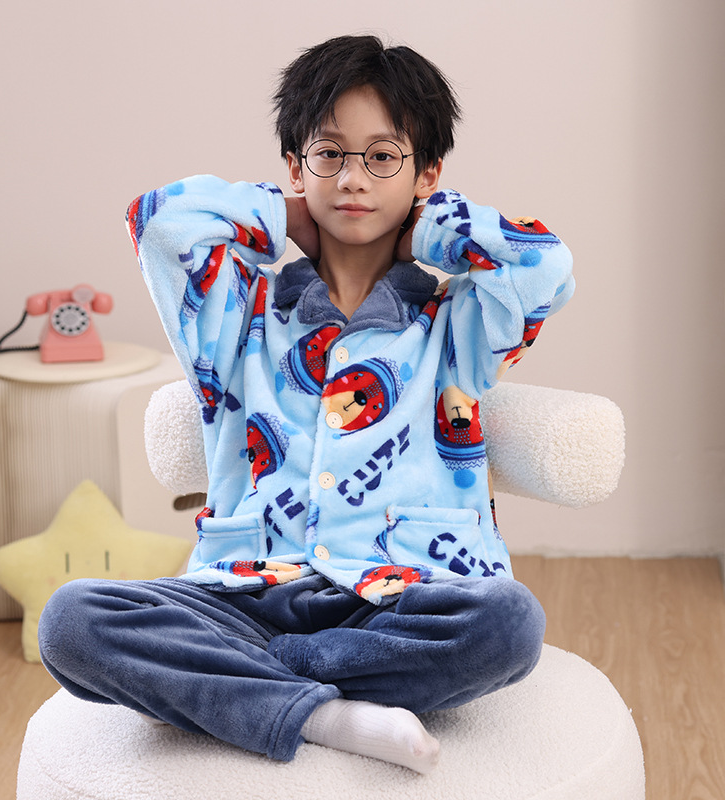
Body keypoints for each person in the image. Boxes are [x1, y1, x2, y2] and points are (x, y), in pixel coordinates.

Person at [39, 34, 574, 775]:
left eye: (382, 157)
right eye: (329, 155)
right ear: (295, 167)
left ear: (426, 173)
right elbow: (158, 222)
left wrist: (429, 229)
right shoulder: (236, 313)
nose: (353, 179)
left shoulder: (461, 324)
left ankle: (235, 688)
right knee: (71, 622)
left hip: (400, 592)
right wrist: (287, 217)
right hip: (243, 591)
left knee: (509, 624)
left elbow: (545, 266)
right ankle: (328, 714)